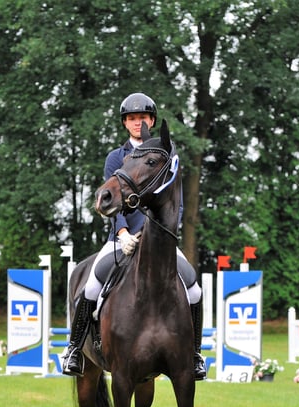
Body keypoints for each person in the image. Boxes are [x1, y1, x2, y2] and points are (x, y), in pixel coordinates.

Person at [62, 92, 207, 379]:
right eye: (131, 118)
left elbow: (175, 203)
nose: (136, 122)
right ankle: (75, 350)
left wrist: (160, 235)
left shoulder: (168, 155)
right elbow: (110, 203)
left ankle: (194, 354)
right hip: (122, 239)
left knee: (194, 289)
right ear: (125, 123)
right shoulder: (116, 157)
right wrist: (124, 232)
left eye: (142, 117)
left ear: (151, 120)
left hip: (159, 242)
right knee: (91, 285)